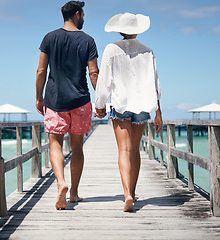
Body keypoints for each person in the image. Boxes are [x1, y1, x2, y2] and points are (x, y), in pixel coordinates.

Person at [94, 13, 163, 212]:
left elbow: (104, 80)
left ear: (119, 29)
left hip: (121, 104)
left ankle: (128, 195)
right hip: (142, 106)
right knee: (135, 151)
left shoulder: (111, 49)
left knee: (123, 150)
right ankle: (132, 191)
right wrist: (158, 112)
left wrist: (99, 104)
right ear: (137, 30)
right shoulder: (148, 51)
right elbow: (155, 83)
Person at [36, 1, 99, 210]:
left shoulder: (49, 38)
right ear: (78, 14)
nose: (84, 19)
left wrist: (39, 97)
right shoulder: (88, 40)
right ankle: (73, 193)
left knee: (55, 144)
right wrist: (100, 100)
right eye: (83, 15)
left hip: (55, 100)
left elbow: (41, 71)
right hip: (80, 100)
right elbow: (93, 73)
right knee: (77, 147)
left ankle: (61, 183)